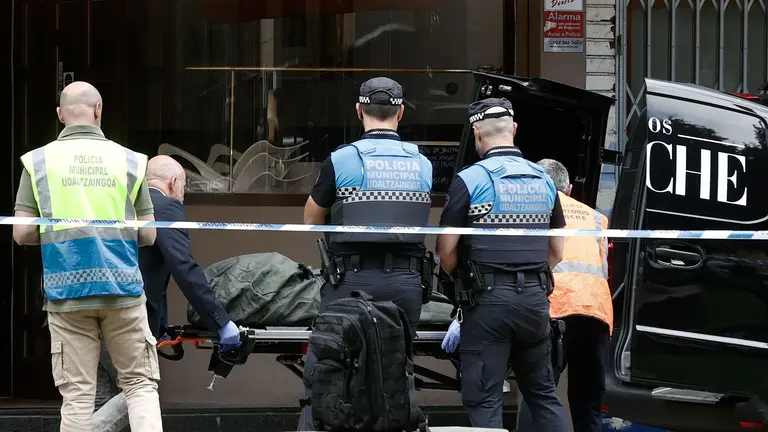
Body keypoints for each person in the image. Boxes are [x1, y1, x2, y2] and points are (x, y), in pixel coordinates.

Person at [12, 81, 163, 431]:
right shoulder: (131, 160)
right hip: (122, 288)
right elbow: (150, 234)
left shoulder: (38, 162)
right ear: (98, 111)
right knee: (140, 386)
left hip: (66, 293)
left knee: (78, 394)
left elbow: (21, 233)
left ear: (60, 115)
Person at [298, 77, 433, 431]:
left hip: (351, 281)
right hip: (407, 283)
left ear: (359, 111)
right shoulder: (423, 164)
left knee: (329, 370)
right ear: (400, 112)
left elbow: (311, 219)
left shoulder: (342, 159)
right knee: (395, 374)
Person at [436, 97, 568, 430]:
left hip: (488, 302)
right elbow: (557, 252)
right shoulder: (543, 179)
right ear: (514, 129)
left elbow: (446, 250)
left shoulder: (471, 179)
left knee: (484, 397)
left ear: (477, 132)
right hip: (535, 301)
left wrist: (460, 276)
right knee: (543, 395)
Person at [91, 155, 242, 431]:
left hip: (88, 309)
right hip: (124, 317)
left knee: (105, 398)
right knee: (139, 391)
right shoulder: (165, 207)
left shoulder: (122, 202)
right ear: (173, 183)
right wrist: (221, 321)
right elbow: (184, 267)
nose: (182, 198)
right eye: (184, 189)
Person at [516, 159, 613, 432]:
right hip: (596, 314)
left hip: (555, 309)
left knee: (539, 395)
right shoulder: (597, 218)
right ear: (569, 188)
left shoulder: (534, 211)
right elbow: (603, 266)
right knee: (588, 402)